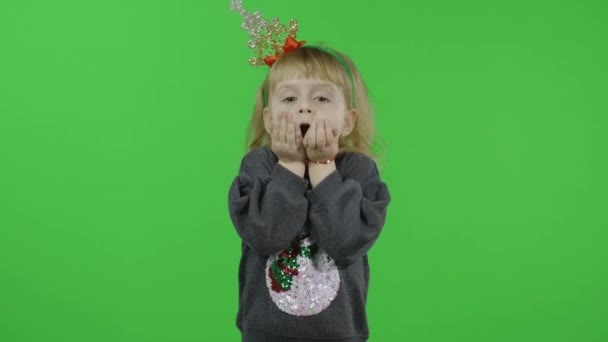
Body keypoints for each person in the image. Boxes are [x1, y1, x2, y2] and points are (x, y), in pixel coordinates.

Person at [228, 1, 391, 341]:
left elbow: (345, 243)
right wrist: (289, 165)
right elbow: (265, 236)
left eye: (320, 99)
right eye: (289, 100)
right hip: (264, 334)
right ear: (270, 120)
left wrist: (322, 167)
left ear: (347, 120)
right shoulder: (258, 166)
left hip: (339, 333)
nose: (304, 107)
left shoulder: (359, 172)